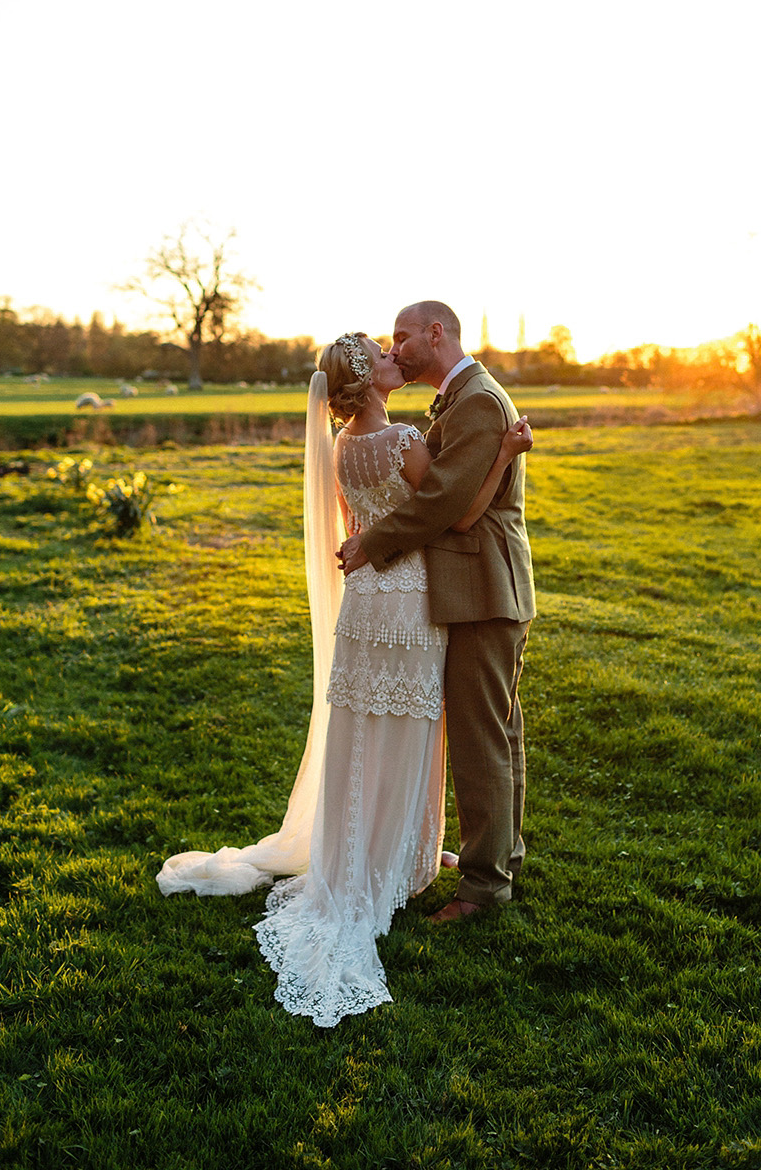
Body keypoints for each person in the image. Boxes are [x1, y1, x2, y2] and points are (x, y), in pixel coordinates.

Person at [157, 331, 531, 1026]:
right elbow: (461, 512)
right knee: (413, 731)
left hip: (364, 605)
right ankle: (403, 860)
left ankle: (371, 853)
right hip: (410, 600)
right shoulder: (400, 442)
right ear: (370, 380)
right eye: (385, 358)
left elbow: (358, 521)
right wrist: (504, 454)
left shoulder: (338, 448)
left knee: (361, 731)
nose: (398, 359)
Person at [339, 301, 536, 923]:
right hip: (475, 586)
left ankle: (481, 889)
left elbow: (447, 502)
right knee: (494, 731)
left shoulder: (476, 399)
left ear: (436, 332)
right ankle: (499, 855)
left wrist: (371, 542)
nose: (393, 349)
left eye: (401, 336)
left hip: (482, 585)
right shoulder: (461, 397)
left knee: (482, 739)